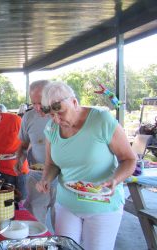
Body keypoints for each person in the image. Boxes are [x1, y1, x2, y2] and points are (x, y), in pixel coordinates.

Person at [36, 82, 136, 250]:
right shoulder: (52, 128)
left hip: (102, 205)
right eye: (51, 115)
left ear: (74, 103)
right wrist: (46, 178)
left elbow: (129, 159)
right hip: (66, 204)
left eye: (60, 113)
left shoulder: (101, 120)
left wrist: (115, 179)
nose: (56, 120)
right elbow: (51, 164)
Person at [15, 80, 56, 226]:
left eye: (41, 102)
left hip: (65, 178)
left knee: (64, 226)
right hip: (37, 176)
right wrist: (19, 159)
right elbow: (24, 144)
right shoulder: (29, 117)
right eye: (33, 103)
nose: (37, 108)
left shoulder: (63, 116)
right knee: (35, 223)